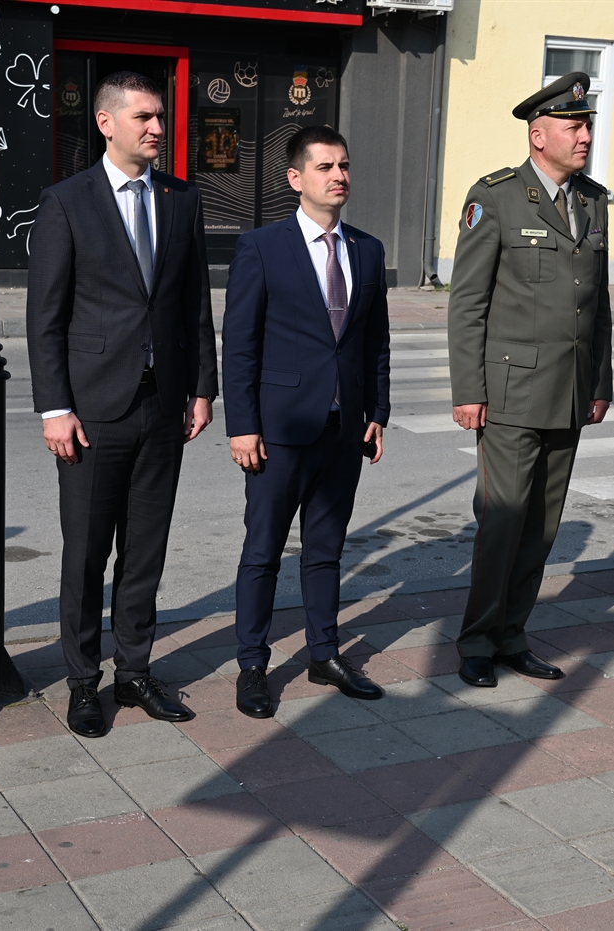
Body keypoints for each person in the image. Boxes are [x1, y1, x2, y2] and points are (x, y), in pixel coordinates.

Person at [27, 71, 217, 737]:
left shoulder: (182, 199)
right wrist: (54, 407)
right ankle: (83, 680)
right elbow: (45, 318)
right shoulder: (66, 202)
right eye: (144, 117)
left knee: (145, 550)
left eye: (160, 116)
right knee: (85, 553)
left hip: (163, 406)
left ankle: (134, 671)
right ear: (106, 123)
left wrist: (202, 388)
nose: (158, 128)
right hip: (92, 410)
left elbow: (194, 303)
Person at [447, 73, 613, 689]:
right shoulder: (496, 197)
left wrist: (600, 382)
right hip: (511, 393)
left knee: (542, 527)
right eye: (574, 126)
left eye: (587, 125)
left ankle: (513, 635)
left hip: (569, 392)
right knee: (502, 523)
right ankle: (476, 640)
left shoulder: (592, 200)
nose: (585, 135)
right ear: (538, 135)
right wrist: (469, 390)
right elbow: (468, 302)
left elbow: (597, 302)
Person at [223, 126, 391, 718]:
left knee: (325, 550)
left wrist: (377, 412)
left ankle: (324, 653)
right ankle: (252, 665)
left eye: (343, 165)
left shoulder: (367, 249)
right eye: (325, 167)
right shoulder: (262, 247)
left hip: (344, 430)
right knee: (263, 551)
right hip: (279, 430)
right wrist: (242, 425)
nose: (338, 176)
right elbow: (240, 344)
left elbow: (374, 340)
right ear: (296, 178)